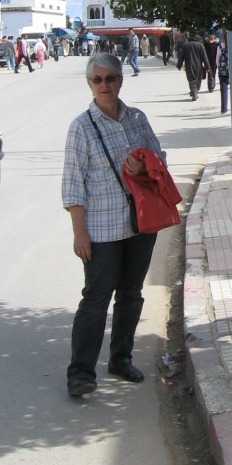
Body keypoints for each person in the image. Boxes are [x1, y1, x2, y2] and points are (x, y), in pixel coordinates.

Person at [63, 53, 166, 397]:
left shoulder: (137, 118)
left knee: (131, 294)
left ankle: (121, 358)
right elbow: (73, 184)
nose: (105, 85)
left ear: (121, 80)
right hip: (102, 230)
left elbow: (159, 157)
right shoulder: (82, 127)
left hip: (140, 224)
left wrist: (144, 166)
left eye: (111, 79)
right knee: (95, 299)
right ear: (90, 84)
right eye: (98, 80)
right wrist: (80, 233)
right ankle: (80, 373)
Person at [177, 33, 210, 100]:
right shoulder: (200, 45)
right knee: (198, 79)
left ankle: (194, 92)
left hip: (189, 66)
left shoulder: (185, 45)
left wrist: (179, 65)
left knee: (191, 80)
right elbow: (205, 57)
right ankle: (195, 92)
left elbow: (181, 56)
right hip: (198, 66)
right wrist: (207, 67)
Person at [216, 35, 232, 113]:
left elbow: (217, 59)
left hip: (223, 70)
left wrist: (219, 67)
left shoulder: (220, 46)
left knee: (223, 89)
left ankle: (224, 108)